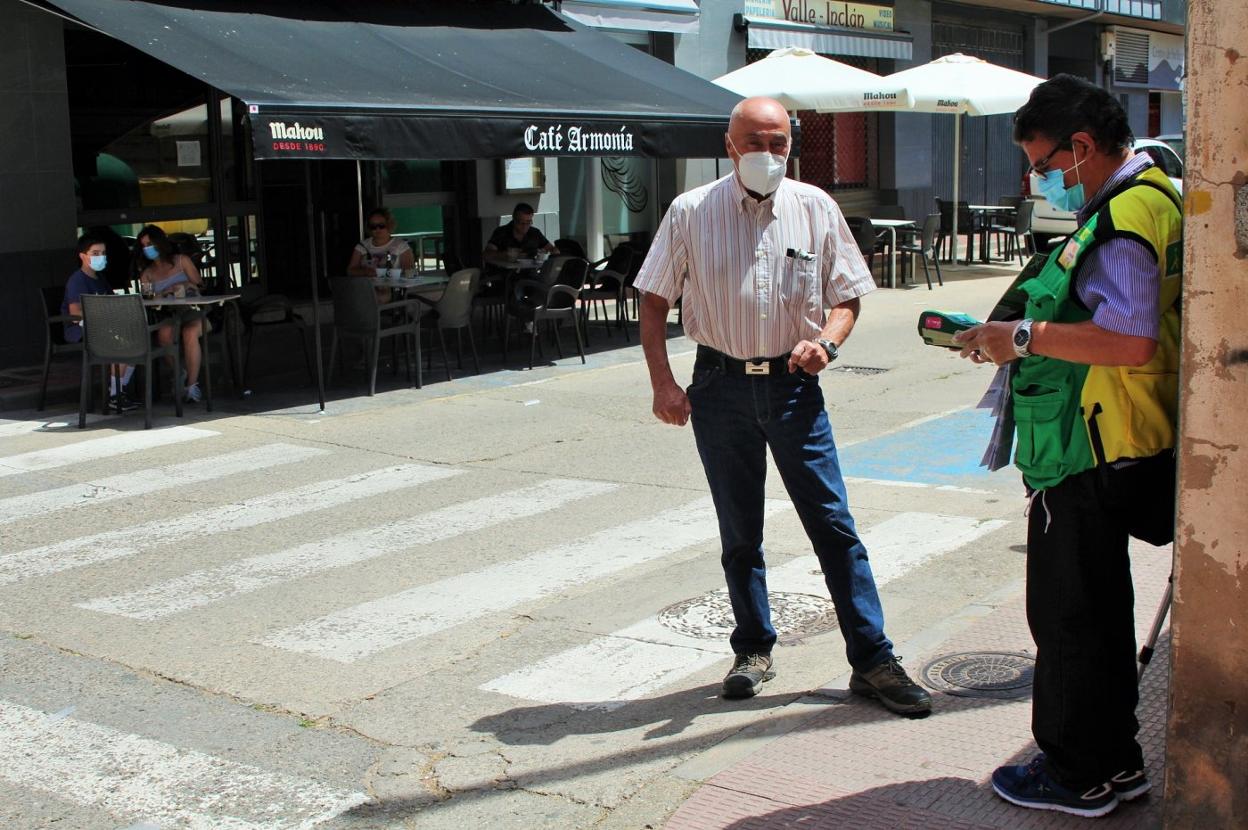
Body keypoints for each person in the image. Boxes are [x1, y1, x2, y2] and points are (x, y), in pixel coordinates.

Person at [633, 96, 931, 716]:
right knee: (740, 531)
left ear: (790, 147)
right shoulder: (691, 211)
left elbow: (847, 296)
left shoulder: (816, 207)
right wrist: (664, 383)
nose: (766, 155)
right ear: (729, 144)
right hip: (719, 386)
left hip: (794, 388)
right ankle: (753, 650)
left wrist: (828, 342)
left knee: (834, 526)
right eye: (755, 142)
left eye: (779, 144)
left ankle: (873, 661)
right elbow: (654, 299)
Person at [952, 74, 1182, 818]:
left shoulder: (1125, 214)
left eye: (1043, 163)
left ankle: (1077, 774)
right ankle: (1115, 764)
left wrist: (1019, 336)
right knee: (1098, 615)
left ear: (1081, 148)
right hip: (1108, 437)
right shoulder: (1149, 199)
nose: (1038, 179)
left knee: (1070, 620)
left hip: (1092, 447)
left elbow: (1127, 336)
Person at [63, 234, 136, 412]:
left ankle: (119, 390)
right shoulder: (77, 280)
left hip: (105, 327)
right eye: (95, 253)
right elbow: (75, 313)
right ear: (82, 255)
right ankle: (114, 395)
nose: (100, 257)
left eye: (102, 253)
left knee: (136, 340)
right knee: (123, 344)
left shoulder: (100, 279)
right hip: (81, 330)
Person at [134, 224, 206, 403]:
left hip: (193, 310)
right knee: (164, 335)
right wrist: (163, 293)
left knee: (190, 333)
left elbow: (200, 284)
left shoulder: (182, 261)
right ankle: (178, 372)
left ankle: (192, 386)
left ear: (160, 242)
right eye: (144, 246)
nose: (148, 249)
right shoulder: (147, 274)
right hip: (167, 314)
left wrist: (187, 286)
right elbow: (147, 298)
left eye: (150, 243)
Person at [348, 207, 414, 304]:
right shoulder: (362, 246)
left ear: (389, 225)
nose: (377, 229)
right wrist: (366, 272)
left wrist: (391, 275)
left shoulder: (400, 245)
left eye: (381, 225)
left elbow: (410, 273)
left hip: (390, 291)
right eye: (373, 226)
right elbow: (350, 270)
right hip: (365, 288)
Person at [482, 203, 557, 267]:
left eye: (528, 222)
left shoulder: (535, 233)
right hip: (504, 275)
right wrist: (505, 255)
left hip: (528, 274)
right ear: (514, 219)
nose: (525, 226)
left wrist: (547, 252)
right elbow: (486, 255)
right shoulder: (501, 232)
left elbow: (551, 248)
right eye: (521, 223)